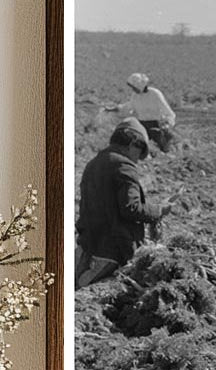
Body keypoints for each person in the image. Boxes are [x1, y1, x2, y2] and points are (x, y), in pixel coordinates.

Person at [75, 119, 164, 288]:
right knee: (84, 288)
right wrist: (158, 211)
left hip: (88, 243)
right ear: (133, 144)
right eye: (140, 152)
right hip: (112, 249)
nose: (137, 160)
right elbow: (131, 208)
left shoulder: (93, 164)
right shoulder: (124, 166)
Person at [122, 72, 176, 153]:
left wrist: (168, 124)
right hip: (141, 125)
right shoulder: (135, 96)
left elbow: (168, 112)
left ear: (139, 85)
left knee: (156, 135)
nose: (133, 89)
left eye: (134, 87)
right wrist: (115, 109)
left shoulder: (155, 94)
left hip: (155, 124)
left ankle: (164, 151)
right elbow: (129, 107)